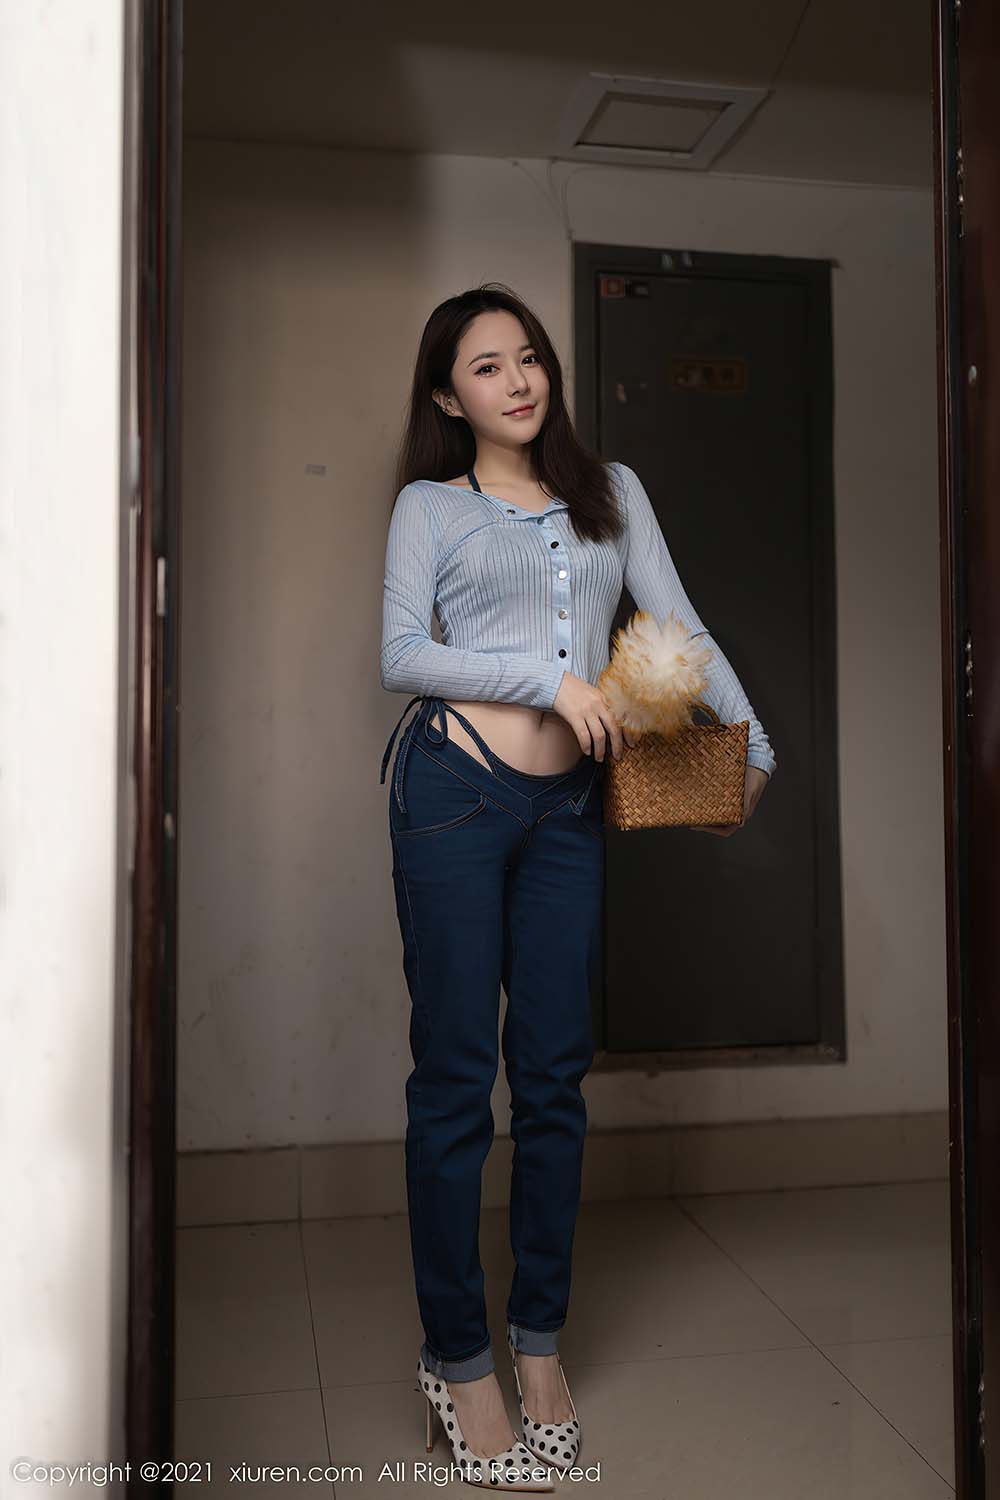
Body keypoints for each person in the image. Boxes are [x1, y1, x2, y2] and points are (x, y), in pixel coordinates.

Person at [379, 283, 775, 1489]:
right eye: (485, 366)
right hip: (453, 794)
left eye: (528, 357)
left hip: (566, 816)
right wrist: (548, 682)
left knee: (552, 1081)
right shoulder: (431, 506)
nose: (517, 380)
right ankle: (458, 1362)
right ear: (449, 396)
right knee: (457, 1082)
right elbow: (400, 652)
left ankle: (537, 1346)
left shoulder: (614, 494)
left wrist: (754, 745)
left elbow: (677, 622)